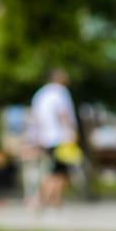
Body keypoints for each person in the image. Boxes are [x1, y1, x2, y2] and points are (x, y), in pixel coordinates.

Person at [29, 68, 79, 208]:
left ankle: (55, 199)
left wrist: (35, 138)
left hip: (45, 138)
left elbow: (35, 117)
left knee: (57, 170)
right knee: (59, 171)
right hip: (60, 137)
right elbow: (63, 113)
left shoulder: (40, 94)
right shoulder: (60, 92)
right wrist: (71, 132)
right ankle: (39, 199)